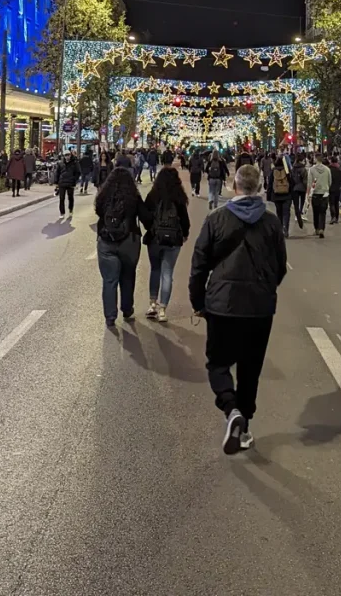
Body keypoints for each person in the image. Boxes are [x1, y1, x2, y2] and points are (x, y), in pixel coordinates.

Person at [190, 163, 287, 455]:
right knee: (250, 368)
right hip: (259, 307)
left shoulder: (216, 219)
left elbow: (199, 264)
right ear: (258, 188)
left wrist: (199, 302)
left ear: (235, 185)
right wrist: (266, 289)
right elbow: (280, 266)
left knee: (218, 364)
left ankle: (231, 409)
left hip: (222, 304)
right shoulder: (271, 223)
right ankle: (244, 423)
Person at [95, 166, 151, 327]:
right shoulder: (133, 197)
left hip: (106, 241)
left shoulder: (103, 196)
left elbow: (99, 212)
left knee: (109, 280)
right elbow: (146, 218)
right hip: (129, 242)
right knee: (128, 276)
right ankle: (127, 309)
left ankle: (110, 316)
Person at [144, 165, 190, 322]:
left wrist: (151, 229)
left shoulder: (153, 195)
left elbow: (146, 215)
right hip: (173, 240)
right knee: (167, 273)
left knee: (155, 269)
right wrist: (185, 234)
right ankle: (163, 308)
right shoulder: (179, 197)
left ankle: (152, 304)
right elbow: (185, 219)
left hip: (155, 239)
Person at [268, 155, 293, 237]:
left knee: (279, 213)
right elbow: (291, 181)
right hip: (287, 194)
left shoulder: (273, 171)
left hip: (276, 194)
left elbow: (270, 184)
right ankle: (286, 229)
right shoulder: (287, 171)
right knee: (286, 213)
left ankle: (280, 229)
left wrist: (269, 196)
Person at [307, 151, 331, 238]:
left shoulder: (311, 170)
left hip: (315, 193)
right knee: (323, 212)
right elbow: (330, 182)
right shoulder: (327, 169)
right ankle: (322, 229)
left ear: (316, 159)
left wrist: (309, 194)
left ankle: (317, 228)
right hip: (325, 193)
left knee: (316, 212)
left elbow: (309, 183)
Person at [55, 150, 80, 215]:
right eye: (66, 155)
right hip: (62, 183)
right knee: (61, 198)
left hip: (70, 183)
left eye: (68, 155)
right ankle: (62, 212)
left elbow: (78, 172)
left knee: (70, 197)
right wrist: (56, 182)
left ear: (70, 155)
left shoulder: (74, 163)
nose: (67, 156)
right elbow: (57, 173)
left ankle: (70, 209)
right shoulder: (60, 163)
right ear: (64, 156)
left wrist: (74, 180)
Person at [328, 155, 341, 224]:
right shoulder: (340, 169)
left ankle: (333, 216)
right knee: (336, 203)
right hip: (338, 188)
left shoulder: (329, 169)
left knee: (331, 203)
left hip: (331, 188)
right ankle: (337, 218)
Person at [291, 153, 308, 222]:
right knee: (302, 201)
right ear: (301, 161)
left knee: (296, 203)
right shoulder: (303, 169)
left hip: (295, 187)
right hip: (302, 188)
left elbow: (291, 178)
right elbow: (305, 180)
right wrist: (306, 187)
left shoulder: (293, 168)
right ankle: (300, 213)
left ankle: (296, 215)